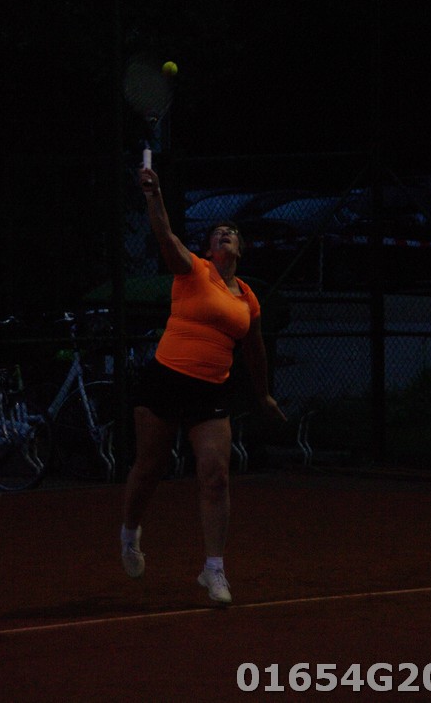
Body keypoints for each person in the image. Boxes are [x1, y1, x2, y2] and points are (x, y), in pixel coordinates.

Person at [120, 166, 286, 604]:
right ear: (209, 247)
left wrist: (264, 394)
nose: (225, 234)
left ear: (240, 249)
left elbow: (255, 351)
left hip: (211, 391)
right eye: (217, 232)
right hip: (165, 380)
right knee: (150, 467)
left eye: (232, 233)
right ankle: (130, 533)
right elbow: (165, 236)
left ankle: (214, 570)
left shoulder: (247, 299)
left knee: (215, 477)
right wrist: (154, 195)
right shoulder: (193, 270)